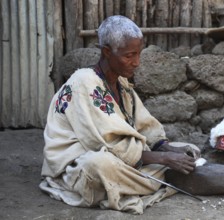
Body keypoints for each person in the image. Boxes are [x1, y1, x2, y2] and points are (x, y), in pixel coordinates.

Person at [39, 15, 200, 214]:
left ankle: (147, 180)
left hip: (123, 158)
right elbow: (108, 144)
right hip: (76, 167)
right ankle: (158, 179)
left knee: (189, 149)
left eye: (138, 53)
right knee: (100, 165)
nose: (137, 62)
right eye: (129, 55)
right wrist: (165, 159)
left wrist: (166, 148)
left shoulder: (121, 84)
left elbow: (145, 125)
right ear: (107, 52)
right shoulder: (84, 82)